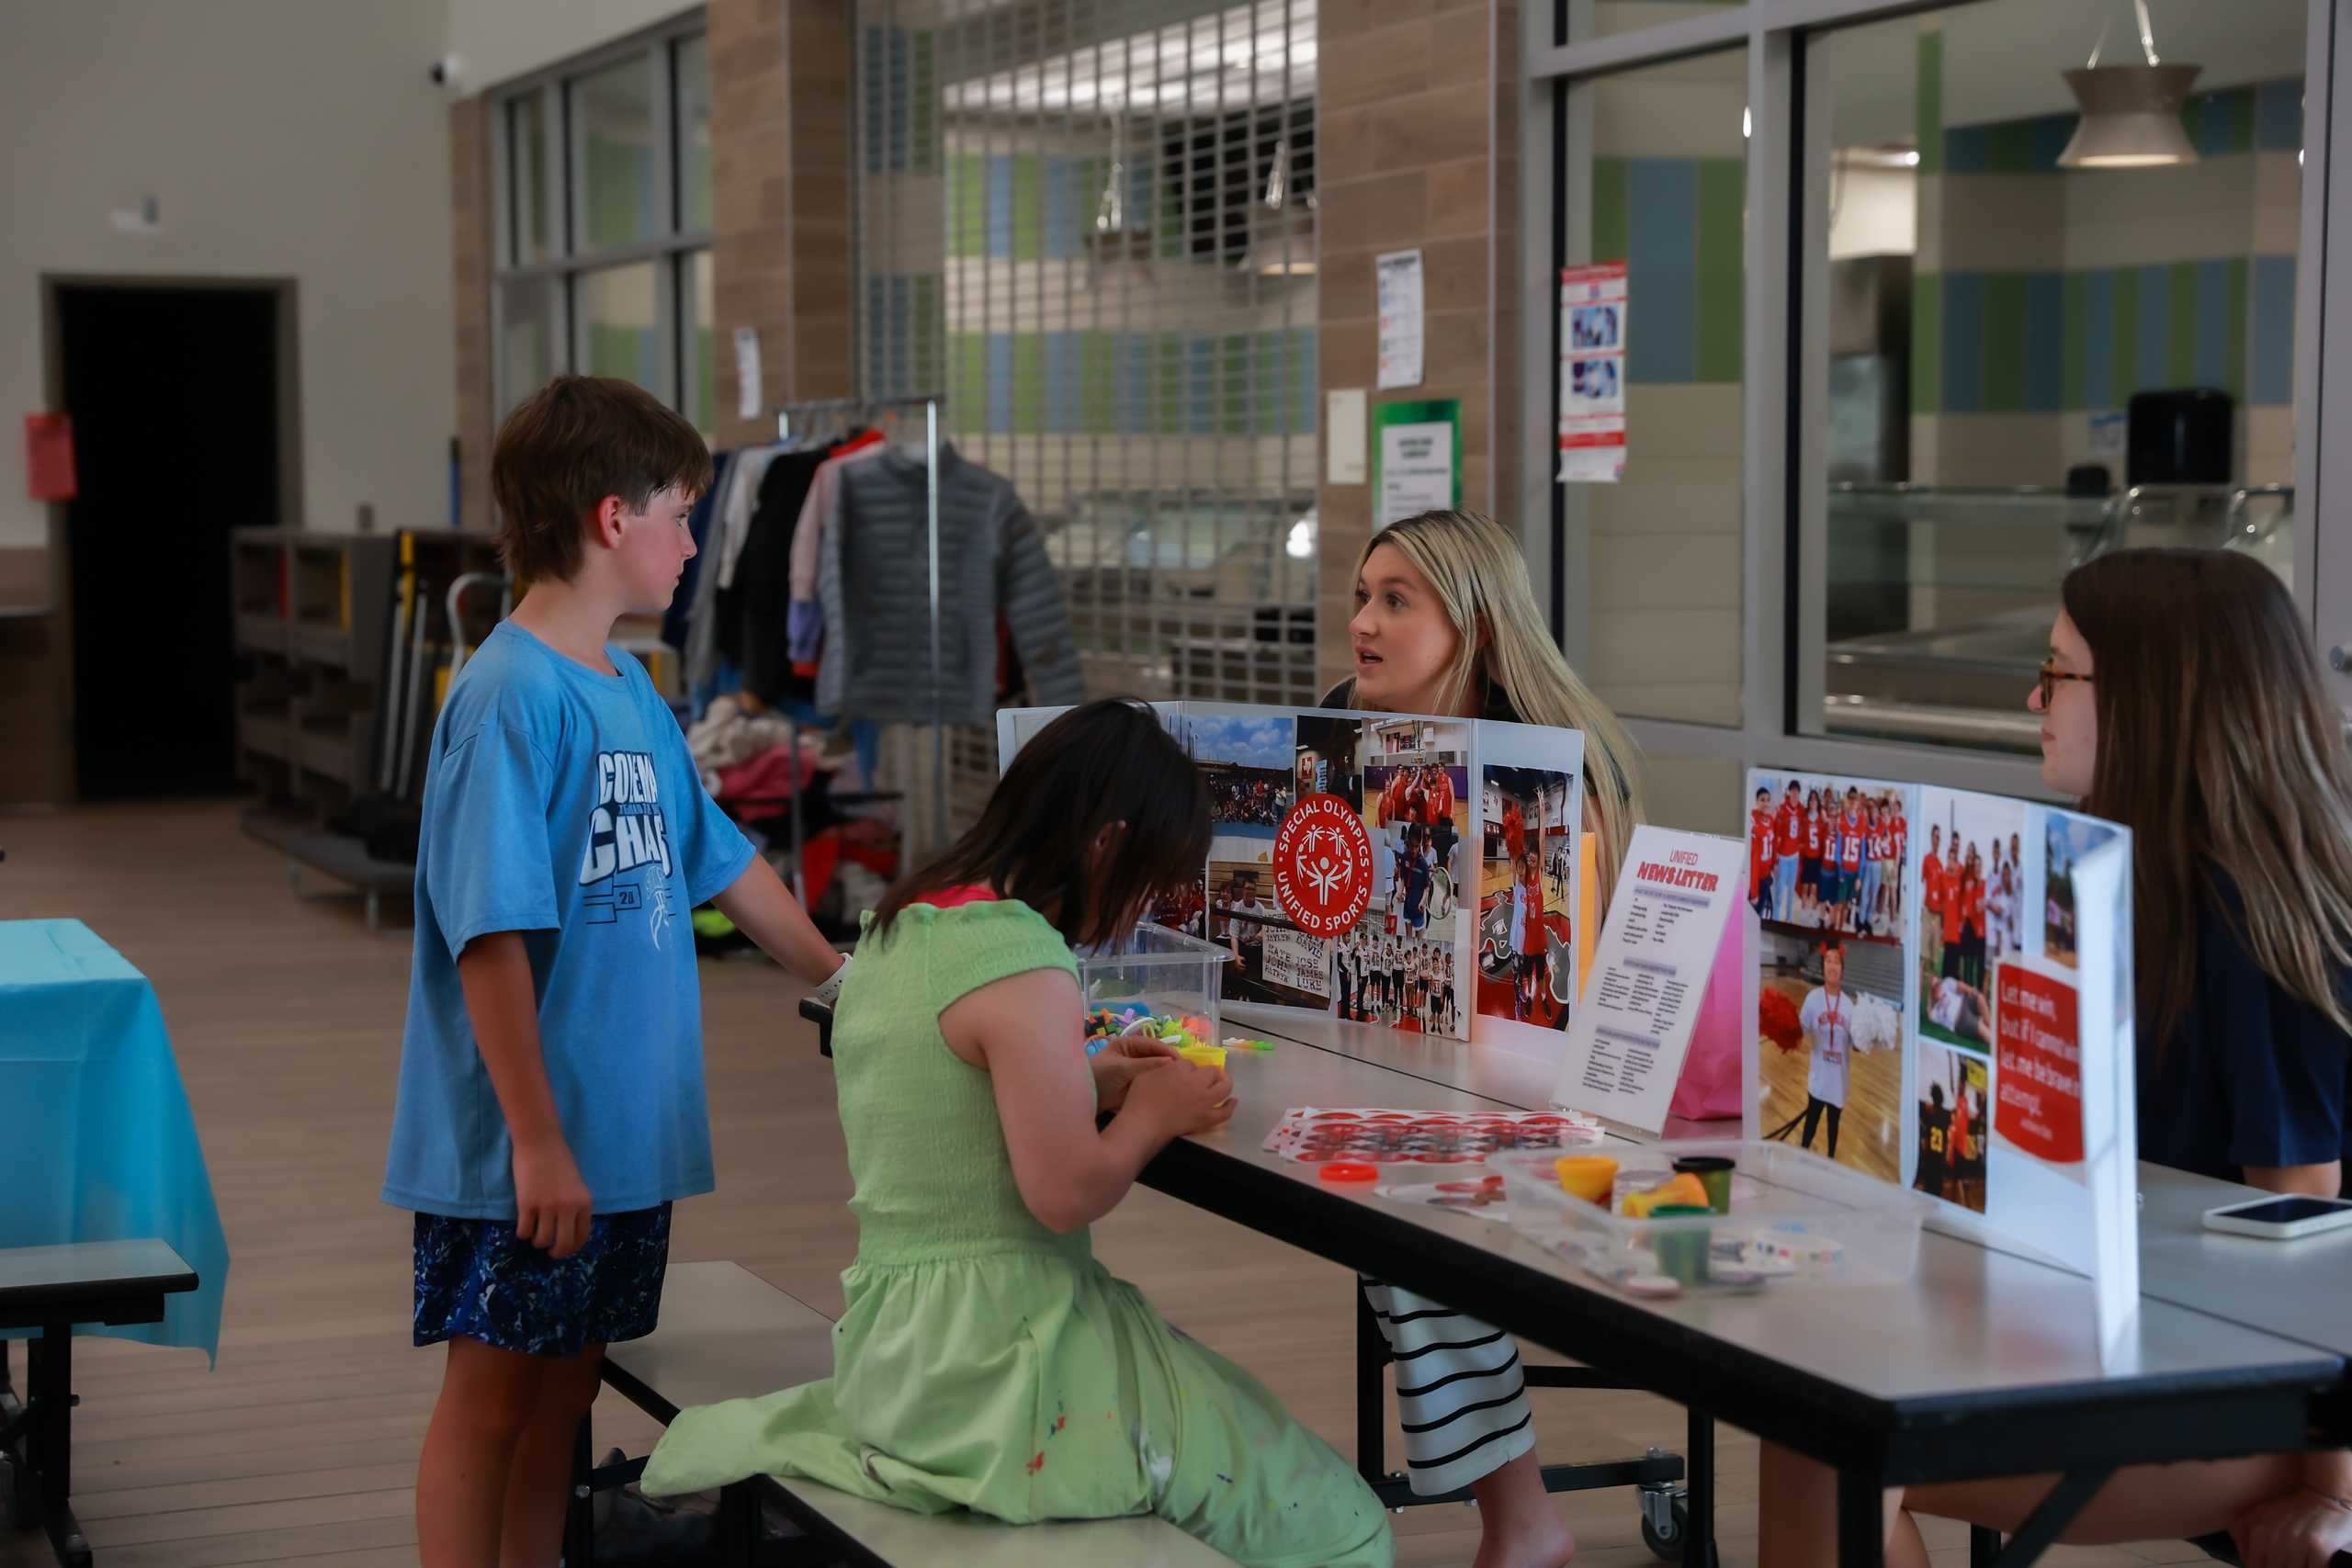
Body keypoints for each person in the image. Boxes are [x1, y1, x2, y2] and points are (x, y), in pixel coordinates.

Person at [640, 701, 1391, 1566]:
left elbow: (949, 1092)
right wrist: (1153, 1113)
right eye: (1149, 881)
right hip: (1004, 1375)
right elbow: (1066, 1190)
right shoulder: (1020, 954)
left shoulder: (901, 922)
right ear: (1106, 843)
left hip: (900, 1355)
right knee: (1341, 1528)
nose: (1142, 907)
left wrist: (1088, 1074)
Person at [1761, 548, 2352, 1568]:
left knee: (1825, 1443)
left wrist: (2329, 1493)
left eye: (2057, 672)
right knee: (1814, 1412)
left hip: (2263, 1410)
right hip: (2137, 1332)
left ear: (2151, 696)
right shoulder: (2115, 874)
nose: (2034, 696)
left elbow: (2312, 1223)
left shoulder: (2249, 917)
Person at [384, 376, 852, 1568]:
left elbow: (721, 858)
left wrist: (843, 972)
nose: (696, 542)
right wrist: (536, 1139)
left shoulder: (634, 689)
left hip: (623, 1139)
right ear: (612, 518)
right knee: (491, 1401)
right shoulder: (506, 696)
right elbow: (484, 935)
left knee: (561, 1397)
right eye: (683, 515)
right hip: (526, 1152)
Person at [1327, 508, 1645, 1568]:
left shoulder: (1552, 774)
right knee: (1373, 1171)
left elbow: (1581, 987)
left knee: (1398, 1201)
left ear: (1477, 629)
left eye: (1395, 600)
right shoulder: (1341, 734)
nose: (1362, 621)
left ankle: (1521, 1520)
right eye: (1364, 595)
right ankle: (1517, 1514)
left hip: (1549, 1098)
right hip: (1400, 1069)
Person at [1797, 942, 1852, 1157]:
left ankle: (1830, 1160)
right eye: (1828, 960)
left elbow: (1855, 1043)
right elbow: (1800, 1031)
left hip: (1838, 1081)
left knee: (1833, 1127)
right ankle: (1802, 1157)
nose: (1832, 965)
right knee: (1810, 1125)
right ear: (1823, 966)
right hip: (1818, 1079)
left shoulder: (1848, 1006)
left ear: (1842, 968)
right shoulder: (1812, 999)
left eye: (1836, 961)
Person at [1915, 1082, 1951, 1201]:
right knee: (1938, 1194)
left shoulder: (1929, 1116)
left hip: (1931, 1159)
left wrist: (1925, 1156)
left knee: (1928, 1193)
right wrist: (1945, 1157)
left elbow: (1926, 1140)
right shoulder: (1946, 1117)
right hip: (1939, 1160)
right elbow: (1946, 1141)